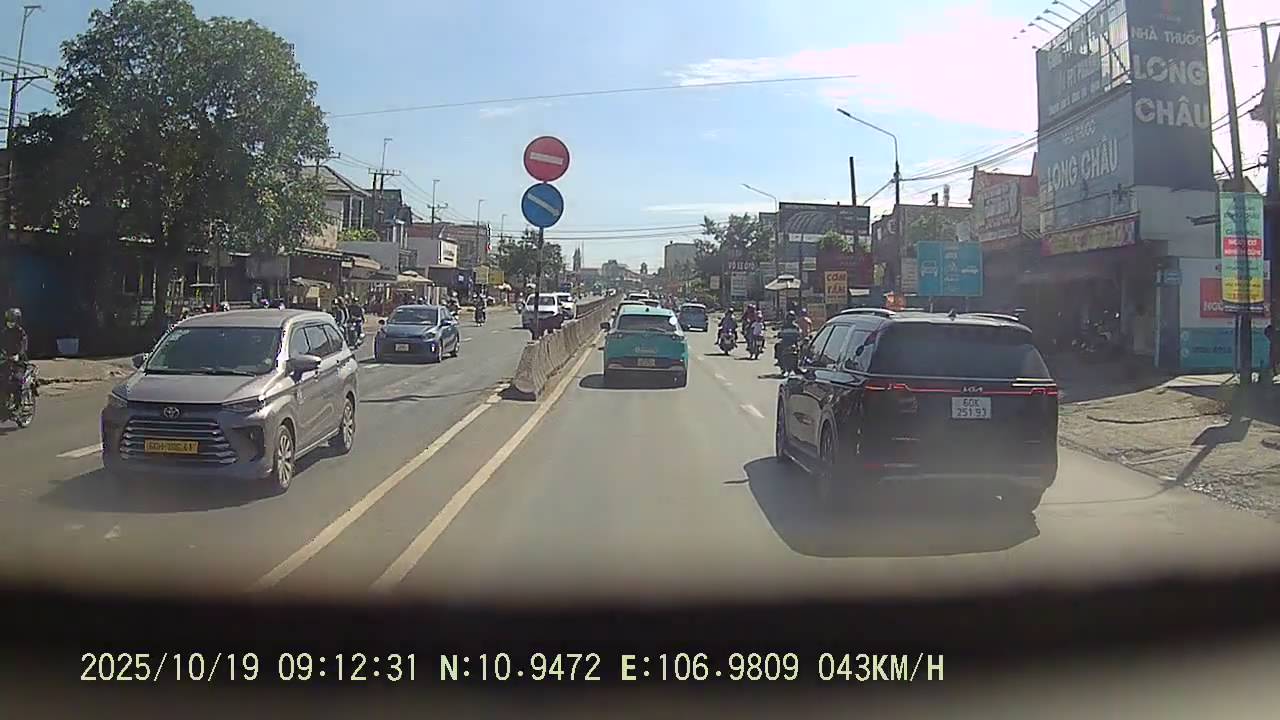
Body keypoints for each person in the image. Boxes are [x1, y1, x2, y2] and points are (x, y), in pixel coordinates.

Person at [2, 308, 30, 411]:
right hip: (6, 360)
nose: (10, 322)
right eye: (9, 320)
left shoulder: (21, 333)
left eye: (13, 320)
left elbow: (24, 345)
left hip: (20, 361)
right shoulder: (4, 332)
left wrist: (18, 355)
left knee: (17, 380)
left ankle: (18, 405)